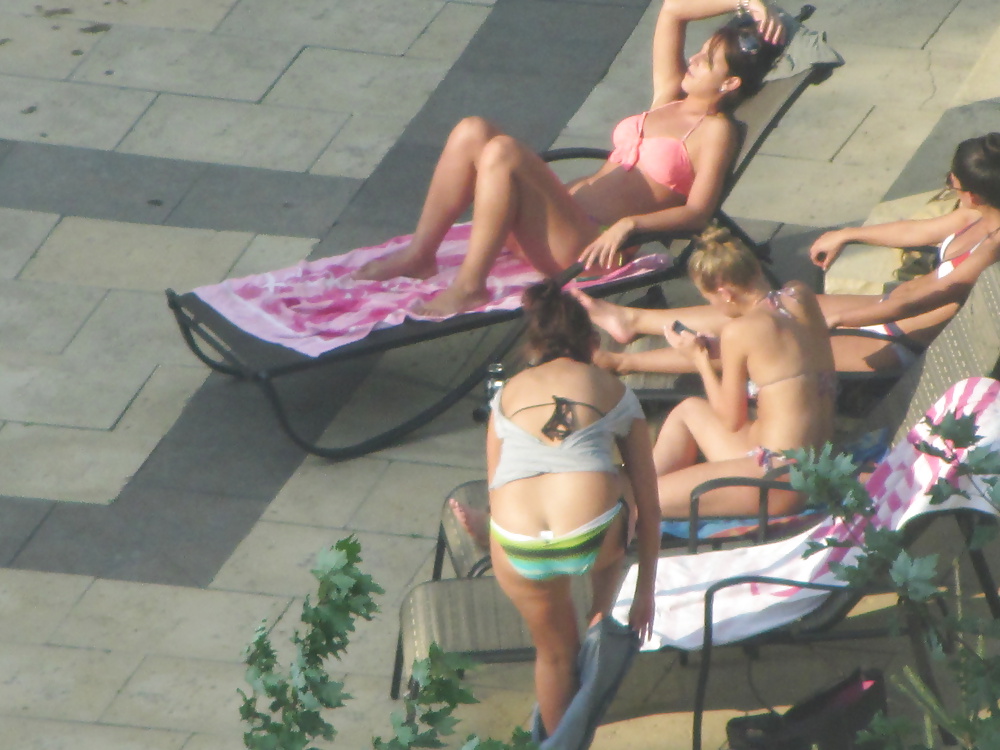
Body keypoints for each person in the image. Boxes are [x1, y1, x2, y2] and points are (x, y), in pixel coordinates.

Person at [354, 0, 785, 316]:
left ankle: (470, 286)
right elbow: (672, 10)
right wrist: (745, 3)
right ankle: (420, 255)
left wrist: (631, 224)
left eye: (706, 60)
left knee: (502, 151)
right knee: (473, 130)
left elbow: (698, 212)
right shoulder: (668, 98)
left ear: (729, 83)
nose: (692, 59)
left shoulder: (716, 132)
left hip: (585, 249)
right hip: (546, 224)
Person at [577, 134, 1000, 374]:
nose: (949, 188)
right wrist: (849, 233)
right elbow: (919, 231)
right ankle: (631, 320)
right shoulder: (977, 217)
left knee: (763, 337)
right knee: (766, 305)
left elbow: (919, 299)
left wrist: (834, 316)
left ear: (975, 192)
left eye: (952, 183)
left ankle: (621, 364)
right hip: (882, 308)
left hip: (898, 341)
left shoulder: (991, 248)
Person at [450, 280, 660, 736]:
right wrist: (644, 591)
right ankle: (600, 612)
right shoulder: (614, 390)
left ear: (533, 349)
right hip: (592, 538)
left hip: (517, 544)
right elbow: (651, 503)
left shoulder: (503, 397)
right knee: (622, 480)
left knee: (553, 654)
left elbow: (494, 481)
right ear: (593, 344)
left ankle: (490, 533)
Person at [647, 228, 835, 517]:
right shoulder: (801, 295)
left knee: (642, 500)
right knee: (689, 411)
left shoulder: (739, 332)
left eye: (710, 298)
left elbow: (731, 420)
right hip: (819, 461)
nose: (714, 306)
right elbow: (781, 353)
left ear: (725, 292)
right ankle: (638, 483)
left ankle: (624, 500)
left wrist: (699, 359)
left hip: (779, 482)